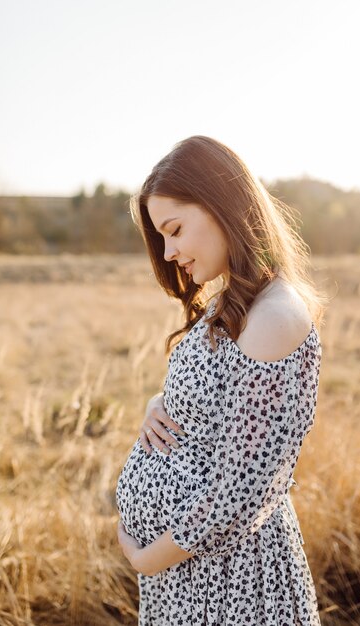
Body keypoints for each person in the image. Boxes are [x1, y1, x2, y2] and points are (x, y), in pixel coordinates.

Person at [116, 135, 326, 625]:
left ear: (220, 204)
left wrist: (149, 558)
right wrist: (159, 403)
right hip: (194, 577)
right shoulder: (235, 301)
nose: (168, 252)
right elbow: (219, 406)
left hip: (231, 584)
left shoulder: (275, 315)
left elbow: (242, 489)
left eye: (175, 230)